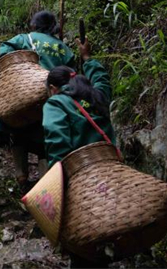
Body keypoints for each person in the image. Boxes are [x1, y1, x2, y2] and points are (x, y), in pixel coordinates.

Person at [42, 38, 114, 269]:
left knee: (82, 239)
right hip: (112, 174)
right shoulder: (97, 96)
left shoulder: (56, 104)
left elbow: (58, 144)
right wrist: (87, 58)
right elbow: (102, 80)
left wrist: (55, 186)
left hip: (81, 179)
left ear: (53, 89)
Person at [0, 11, 77, 186]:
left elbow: (3, 51)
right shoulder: (63, 48)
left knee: (18, 132)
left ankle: (21, 178)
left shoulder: (25, 39)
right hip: (51, 97)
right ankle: (45, 186)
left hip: (25, 93)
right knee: (44, 140)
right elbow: (71, 74)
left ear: (34, 24)